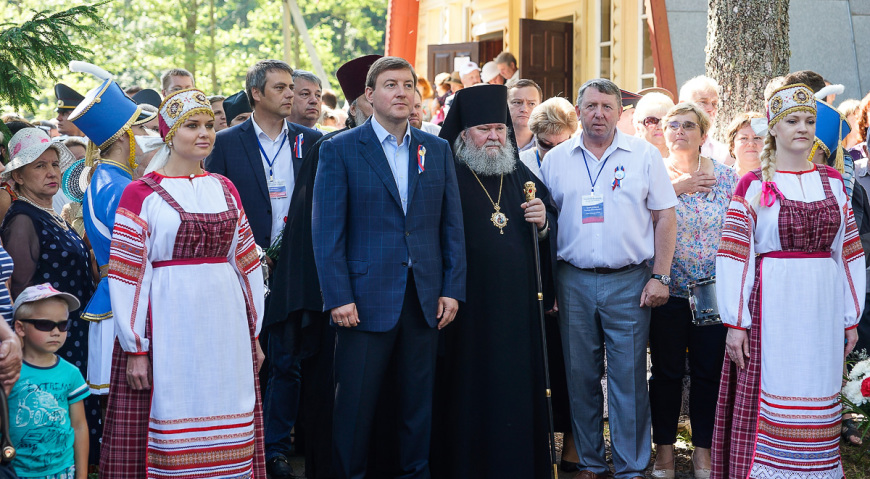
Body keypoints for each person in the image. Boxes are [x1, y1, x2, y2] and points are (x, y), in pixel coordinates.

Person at [312, 56, 466, 479]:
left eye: (408, 85)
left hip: (424, 301)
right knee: (355, 408)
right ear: (369, 95)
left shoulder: (435, 149)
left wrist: (452, 287)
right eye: (391, 84)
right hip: (362, 301)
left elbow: (451, 226)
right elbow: (327, 233)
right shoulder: (339, 149)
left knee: (418, 407)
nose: (401, 92)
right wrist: (338, 296)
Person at [101, 88, 266, 478]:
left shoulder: (224, 188)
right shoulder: (140, 193)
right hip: (170, 324)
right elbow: (128, 273)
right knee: (174, 407)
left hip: (226, 327)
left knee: (228, 406)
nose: (205, 133)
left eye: (209, 124)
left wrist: (254, 334)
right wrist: (136, 348)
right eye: (192, 125)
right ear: (170, 134)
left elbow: (246, 262)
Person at [711, 83, 864, 479]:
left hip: (822, 308)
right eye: (792, 120)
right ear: (773, 129)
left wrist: (851, 316)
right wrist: (735, 322)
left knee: (817, 391)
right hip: (772, 309)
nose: (803, 128)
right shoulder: (754, 185)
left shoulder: (832, 183)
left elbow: (847, 252)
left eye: (810, 121)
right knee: (774, 391)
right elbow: (735, 255)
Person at [540, 78, 677, 479]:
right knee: (579, 375)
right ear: (578, 111)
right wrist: (552, 285)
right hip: (573, 280)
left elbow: (665, 215)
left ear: (621, 112)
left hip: (630, 282)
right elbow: (547, 223)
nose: (598, 113)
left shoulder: (644, 155)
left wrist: (661, 276)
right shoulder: (557, 159)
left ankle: (632, 467)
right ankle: (590, 463)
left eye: (607, 106)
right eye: (591, 106)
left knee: (629, 377)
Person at [431, 83, 558, 479]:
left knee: (514, 393)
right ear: (464, 133)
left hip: (517, 314)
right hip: (466, 311)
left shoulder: (520, 174)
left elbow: (547, 228)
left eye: (500, 129)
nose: (494, 137)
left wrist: (542, 223)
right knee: (469, 392)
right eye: (484, 129)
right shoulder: (445, 172)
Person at [264, 54, 379, 479]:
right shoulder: (329, 148)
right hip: (332, 287)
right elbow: (317, 228)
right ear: (360, 103)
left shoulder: (419, 149)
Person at [205, 59, 321, 479]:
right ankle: (237, 442)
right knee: (244, 358)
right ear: (256, 93)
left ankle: (274, 448)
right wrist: (249, 250)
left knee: (286, 359)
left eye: (292, 87)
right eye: (281, 88)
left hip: (294, 268)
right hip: (239, 268)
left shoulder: (313, 142)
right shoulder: (225, 142)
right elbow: (213, 205)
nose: (291, 94)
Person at [0, 127, 99, 464]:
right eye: (39, 166)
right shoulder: (23, 220)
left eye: (54, 165)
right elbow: (18, 293)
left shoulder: (53, 214)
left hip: (73, 332)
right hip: (47, 338)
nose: (51, 172)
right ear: (18, 177)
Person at [650, 103, 738, 479]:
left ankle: (703, 453)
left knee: (709, 374)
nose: (680, 131)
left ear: (703, 135)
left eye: (689, 125)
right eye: (673, 125)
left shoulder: (728, 178)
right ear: (663, 133)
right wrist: (677, 188)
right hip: (667, 291)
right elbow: (634, 215)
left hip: (713, 293)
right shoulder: (651, 173)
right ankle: (665, 454)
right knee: (666, 374)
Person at [69, 65, 157, 398]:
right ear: (123, 138)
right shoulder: (121, 186)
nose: (144, 136)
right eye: (137, 130)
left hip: (112, 297)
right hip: (125, 301)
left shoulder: (102, 178)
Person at [10, 283, 89, 479]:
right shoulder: (9, 370)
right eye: (45, 324)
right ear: (20, 327)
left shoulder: (71, 373)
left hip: (61, 471)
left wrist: (82, 474)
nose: (56, 332)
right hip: (14, 471)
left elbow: (79, 426)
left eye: (63, 325)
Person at [520, 96, 578, 179]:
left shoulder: (581, 163)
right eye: (546, 145)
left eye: (561, 146)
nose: (553, 153)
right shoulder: (521, 164)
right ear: (535, 136)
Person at [679, 76, 730, 165]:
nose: (711, 109)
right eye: (703, 102)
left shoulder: (723, 153)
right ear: (683, 105)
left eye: (714, 103)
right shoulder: (667, 144)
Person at [633, 92, 675, 159]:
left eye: (665, 121)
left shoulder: (682, 158)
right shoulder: (629, 159)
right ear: (638, 127)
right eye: (651, 121)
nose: (660, 127)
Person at [725, 112, 765, 177]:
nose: (751, 143)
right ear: (732, 145)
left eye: (757, 138)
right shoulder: (717, 181)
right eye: (744, 138)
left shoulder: (781, 181)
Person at [508, 79, 543, 152]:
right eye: (517, 102)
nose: (524, 109)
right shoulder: (494, 140)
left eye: (531, 104)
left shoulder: (548, 143)